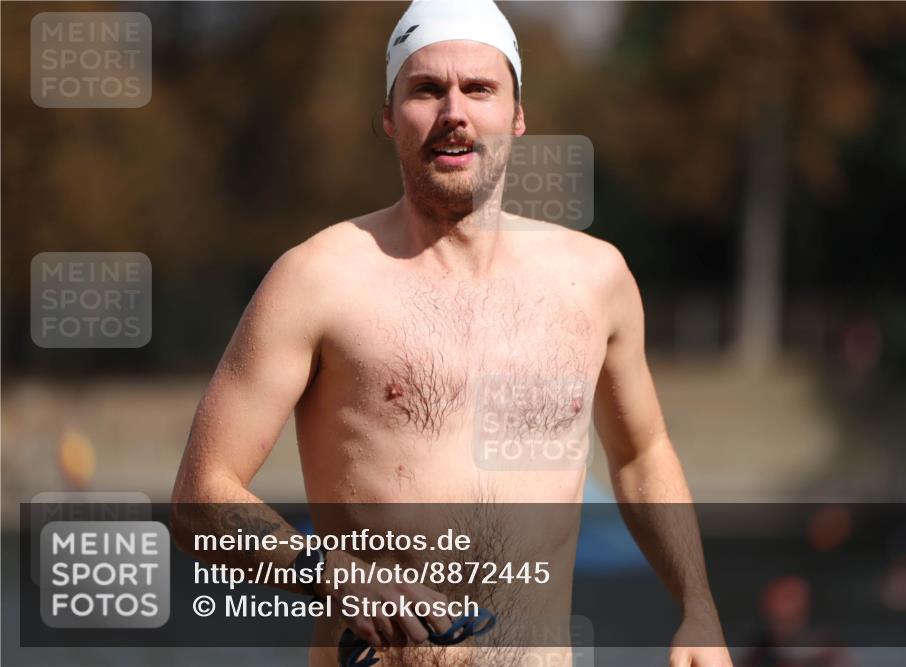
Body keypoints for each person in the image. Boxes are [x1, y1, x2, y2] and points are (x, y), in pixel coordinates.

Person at [171, 1, 733, 665]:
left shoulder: (596, 280)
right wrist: (336, 574)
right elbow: (201, 496)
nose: (454, 113)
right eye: (427, 89)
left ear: (518, 116)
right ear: (388, 116)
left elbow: (641, 456)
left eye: (479, 88)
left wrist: (698, 609)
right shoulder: (316, 280)